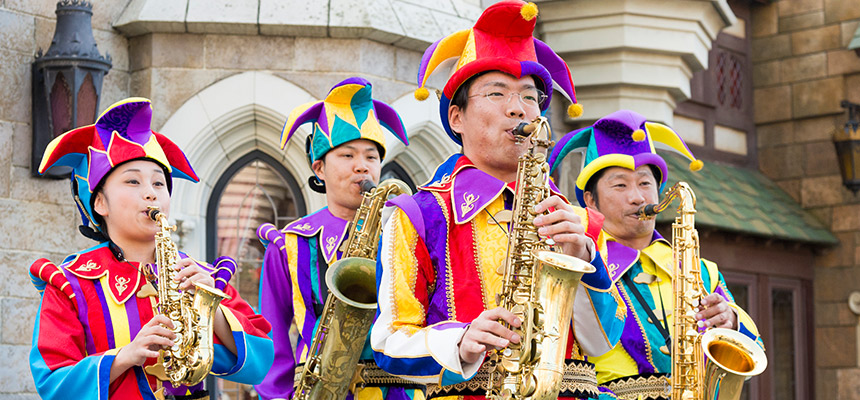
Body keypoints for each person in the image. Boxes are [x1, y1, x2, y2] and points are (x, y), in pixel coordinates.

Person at [370, 2, 624, 399]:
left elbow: (603, 342)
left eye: (529, 96)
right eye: (497, 92)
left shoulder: (579, 222)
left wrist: (584, 261)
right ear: (456, 118)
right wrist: (461, 339)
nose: (518, 107)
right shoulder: (418, 214)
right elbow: (387, 341)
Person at [29, 98, 274, 400]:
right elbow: (53, 384)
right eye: (133, 181)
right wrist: (123, 357)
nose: (151, 194)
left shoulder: (201, 277)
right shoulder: (70, 283)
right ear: (100, 203)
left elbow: (261, 365)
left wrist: (213, 308)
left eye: (160, 184)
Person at [547, 109, 764, 400]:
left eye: (646, 183)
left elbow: (753, 351)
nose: (638, 197)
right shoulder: (576, 263)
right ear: (590, 200)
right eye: (621, 185)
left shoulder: (702, 270)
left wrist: (731, 322)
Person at [254, 77, 419, 400]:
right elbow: (272, 335)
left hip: (395, 391)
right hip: (315, 389)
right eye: (347, 156)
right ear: (319, 168)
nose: (362, 167)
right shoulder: (287, 244)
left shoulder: (404, 233)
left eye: (371, 157)